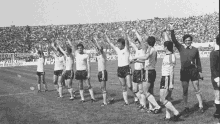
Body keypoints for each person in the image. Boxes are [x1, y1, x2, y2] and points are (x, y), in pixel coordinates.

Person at [170, 23, 204, 114]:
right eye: (186, 40)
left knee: (196, 88)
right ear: (184, 41)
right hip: (184, 71)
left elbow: (198, 61)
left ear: (191, 41)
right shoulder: (181, 48)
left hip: (193, 71)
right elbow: (174, 40)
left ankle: (201, 105)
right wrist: (172, 29)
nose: (188, 41)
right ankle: (186, 106)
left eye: (189, 40)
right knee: (185, 90)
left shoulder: (195, 49)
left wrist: (200, 71)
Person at [104, 30, 137, 106]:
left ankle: (136, 97)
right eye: (117, 44)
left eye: (119, 43)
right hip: (120, 69)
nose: (118, 45)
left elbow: (127, 41)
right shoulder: (117, 50)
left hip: (126, 68)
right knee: (123, 86)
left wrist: (125, 33)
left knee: (129, 85)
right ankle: (126, 102)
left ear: (123, 44)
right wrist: (106, 35)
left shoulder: (126, 49)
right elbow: (110, 43)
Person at [132, 35, 162, 114]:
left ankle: (157, 106)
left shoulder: (151, 49)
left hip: (148, 71)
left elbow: (145, 57)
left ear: (148, 42)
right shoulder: (154, 50)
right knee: (150, 91)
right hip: (152, 71)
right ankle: (151, 108)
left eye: (146, 41)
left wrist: (136, 58)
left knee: (145, 91)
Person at [159, 30, 181, 121]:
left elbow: (171, 70)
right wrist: (165, 34)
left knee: (162, 100)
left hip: (167, 78)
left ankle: (176, 112)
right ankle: (168, 116)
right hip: (165, 77)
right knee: (167, 98)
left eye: (164, 46)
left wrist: (171, 83)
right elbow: (168, 42)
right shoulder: (167, 54)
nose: (163, 47)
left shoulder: (171, 56)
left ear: (166, 47)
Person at [91, 36, 114, 106]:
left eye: (99, 49)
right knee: (102, 87)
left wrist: (95, 41)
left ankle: (104, 102)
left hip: (103, 72)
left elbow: (99, 48)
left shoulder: (103, 54)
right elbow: (97, 48)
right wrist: (93, 43)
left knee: (103, 87)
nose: (98, 50)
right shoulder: (98, 55)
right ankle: (110, 98)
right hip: (99, 72)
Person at [127, 30, 147, 110]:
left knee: (141, 90)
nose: (136, 44)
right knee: (135, 89)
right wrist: (127, 34)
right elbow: (130, 42)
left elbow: (144, 60)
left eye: (137, 43)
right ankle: (141, 102)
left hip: (141, 71)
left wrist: (135, 32)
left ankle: (143, 105)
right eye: (136, 43)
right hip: (135, 71)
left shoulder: (143, 50)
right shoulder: (137, 50)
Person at [210, 34, 220, 124]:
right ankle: (218, 112)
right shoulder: (214, 53)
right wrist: (217, 79)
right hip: (217, 78)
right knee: (218, 95)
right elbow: (213, 68)